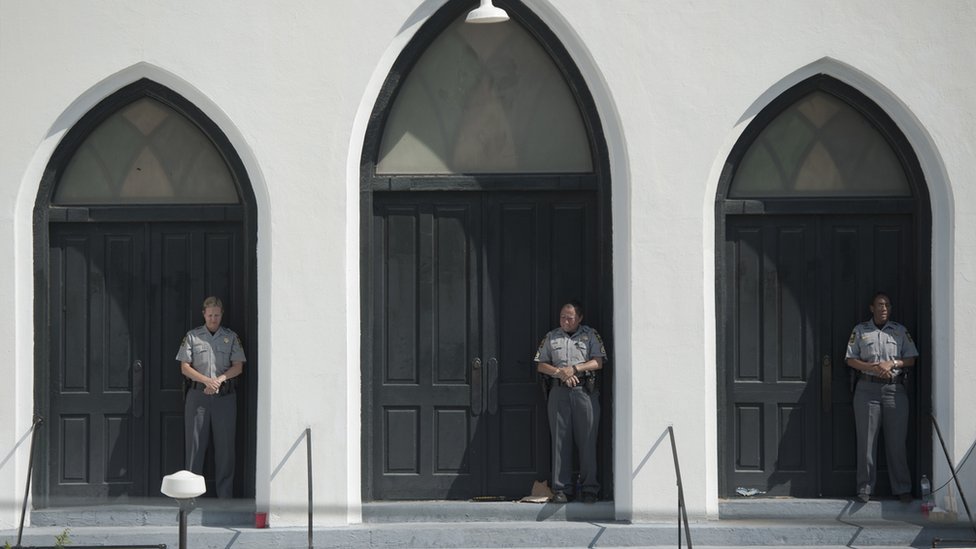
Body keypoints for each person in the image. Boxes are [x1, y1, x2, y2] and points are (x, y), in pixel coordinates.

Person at [845, 292, 918, 503]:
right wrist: (871, 367)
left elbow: (911, 358)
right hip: (867, 389)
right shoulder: (860, 331)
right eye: (879, 304)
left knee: (897, 443)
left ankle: (902, 488)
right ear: (871, 308)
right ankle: (865, 488)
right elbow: (850, 359)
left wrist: (891, 364)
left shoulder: (900, 331)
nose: (883, 308)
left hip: (894, 390)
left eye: (887, 304)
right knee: (866, 442)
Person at [534, 301, 607, 504]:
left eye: (570, 318)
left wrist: (574, 369)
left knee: (587, 440)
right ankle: (561, 489)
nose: (565, 321)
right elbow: (541, 364)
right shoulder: (552, 336)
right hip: (559, 391)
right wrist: (561, 372)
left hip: (584, 392)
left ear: (579, 318)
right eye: (562, 317)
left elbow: (598, 361)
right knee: (560, 440)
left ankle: (589, 487)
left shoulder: (590, 335)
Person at [176, 296, 246, 498]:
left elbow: (238, 366)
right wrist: (206, 381)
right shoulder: (193, 336)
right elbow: (184, 367)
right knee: (195, 447)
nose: (213, 319)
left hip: (224, 398)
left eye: (216, 315)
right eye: (210, 315)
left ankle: (225, 497)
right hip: (198, 397)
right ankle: (190, 497)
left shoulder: (231, 337)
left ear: (221, 314)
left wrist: (219, 379)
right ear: (204, 315)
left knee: (225, 449)